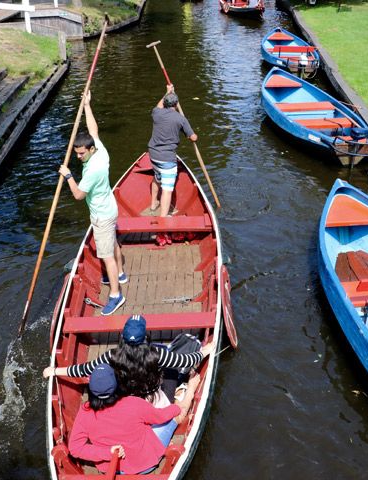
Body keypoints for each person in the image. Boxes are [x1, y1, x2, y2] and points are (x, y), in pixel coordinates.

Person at [59, 90, 127, 315]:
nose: (78, 157)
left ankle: (116, 296)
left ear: (89, 150)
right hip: (111, 208)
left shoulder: (93, 171)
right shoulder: (100, 151)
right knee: (113, 243)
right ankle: (121, 274)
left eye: (80, 154)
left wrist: (68, 176)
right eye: (76, 153)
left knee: (106, 256)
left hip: (101, 215)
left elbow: (78, 195)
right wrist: (87, 105)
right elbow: (94, 130)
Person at [43, 315, 214, 402]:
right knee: (171, 370)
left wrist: (55, 371)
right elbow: (187, 361)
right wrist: (205, 350)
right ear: (145, 336)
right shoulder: (157, 354)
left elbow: (83, 369)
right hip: (155, 396)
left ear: (123, 337)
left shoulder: (112, 355)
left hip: (128, 397)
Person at [68, 364, 201, 474]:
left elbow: (74, 448)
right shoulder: (133, 403)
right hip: (145, 464)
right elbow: (161, 416)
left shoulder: (85, 411)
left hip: (111, 470)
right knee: (175, 415)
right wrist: (175, 408)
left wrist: (107, 452)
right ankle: (191, 387)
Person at [147, 84, 198, 220]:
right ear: (176, 104)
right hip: (167, 159)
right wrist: (192, 135)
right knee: (167, 190)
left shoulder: (156, 112)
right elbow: (193, 137)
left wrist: (167, 92)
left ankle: (153, 205)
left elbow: (159, 104)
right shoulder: (181, 119)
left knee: (157, 178)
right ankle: (163, 218)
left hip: (153, 155)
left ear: (164, 103)